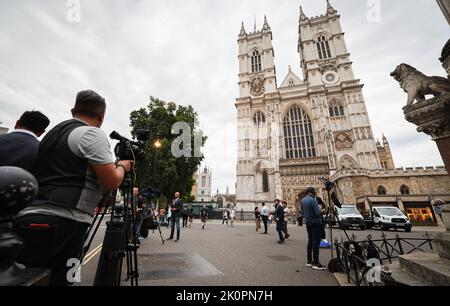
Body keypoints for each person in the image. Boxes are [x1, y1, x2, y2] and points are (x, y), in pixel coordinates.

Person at [14, 90, 134, 285]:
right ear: (101, 116)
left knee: (32, 279)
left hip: (30, 216)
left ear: (73, 110)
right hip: (69, 222)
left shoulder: (52, 135)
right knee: (66, 278)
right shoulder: (91, 134)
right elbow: (111, 182)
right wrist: (122, 166)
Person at [301, 187, 326, 270]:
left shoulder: (303, 200)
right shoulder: (313, 200)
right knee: (316, 242)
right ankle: (316, 262)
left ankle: (309, 261)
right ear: (312, 192)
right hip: (316, 222)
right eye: (314, 192)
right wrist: (323, 211)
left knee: (310, 241)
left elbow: (303, 213)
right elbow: (318, 213)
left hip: (308, 222)